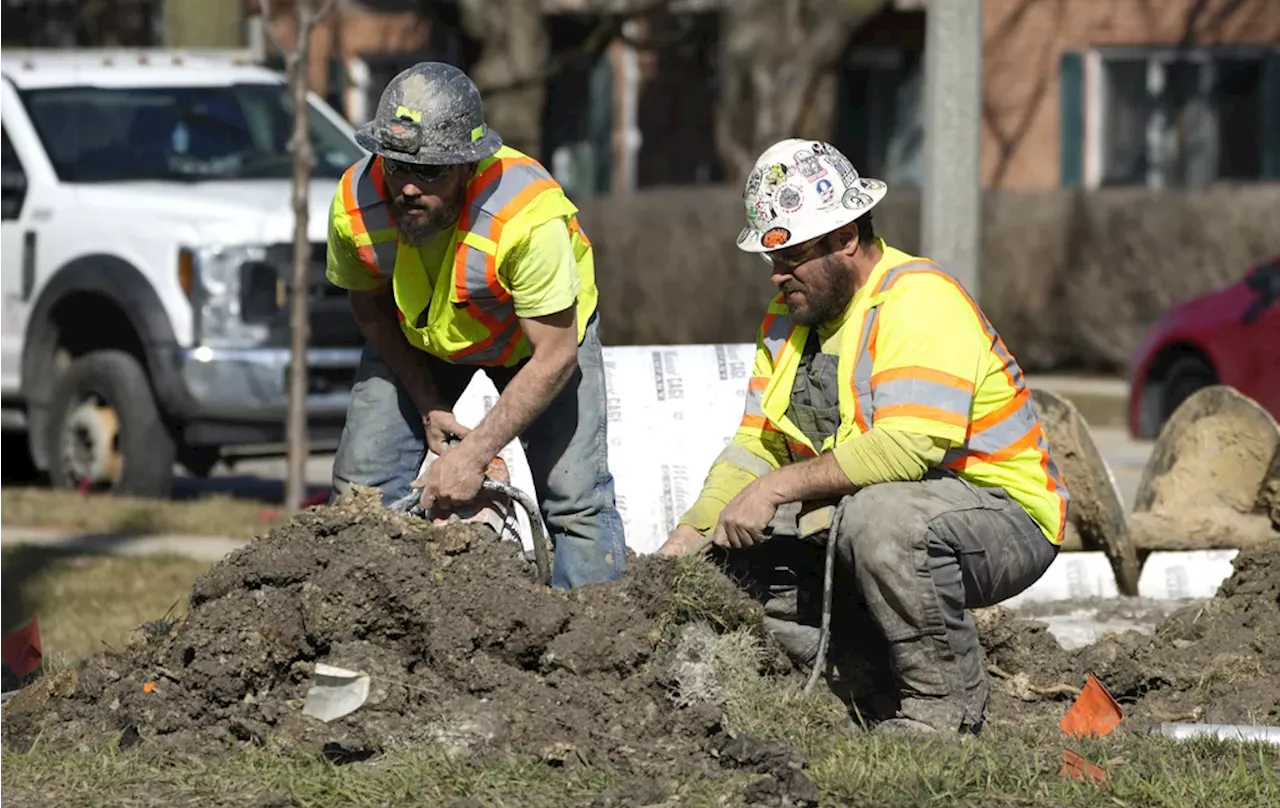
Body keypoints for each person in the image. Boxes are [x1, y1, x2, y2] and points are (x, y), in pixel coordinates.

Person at [658, 138, 1070, 736]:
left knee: (882, 522)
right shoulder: (787, 321)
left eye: (791, 256)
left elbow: (906, 447)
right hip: (873, 512)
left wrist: (776, 489)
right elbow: (757, 445)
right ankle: (861, 681)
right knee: (731, 562)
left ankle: (943, 713)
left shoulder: (919, 300)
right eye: (771, 260)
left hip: (1002, 518)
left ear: (845, 238)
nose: (777, 276)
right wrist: (692, 533)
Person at [325, 61, 628, 591]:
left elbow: (554, 357)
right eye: (396, 166)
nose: (408, 188)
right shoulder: (354, 203)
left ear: (470, 164)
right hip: (419, 340)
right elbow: (370, 308)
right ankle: (354, 642)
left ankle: (595, 655)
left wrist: (474, 452)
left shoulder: (527, 218)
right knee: (360, 494)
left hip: (534, 351)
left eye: (431, 171)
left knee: (576, 504)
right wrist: (427, 403)